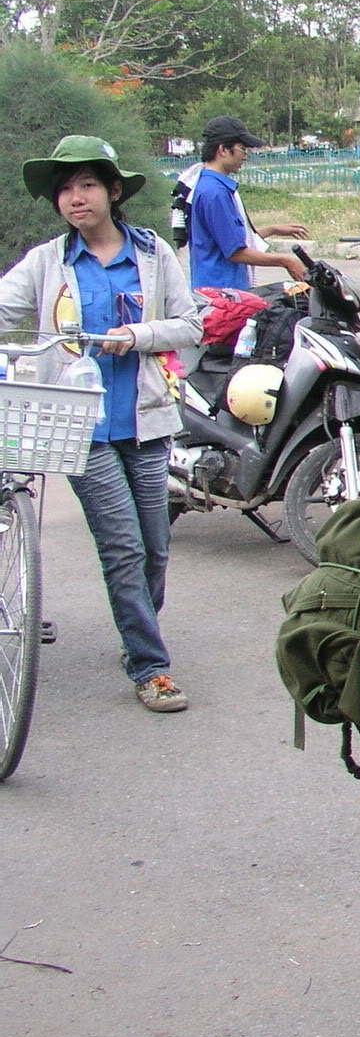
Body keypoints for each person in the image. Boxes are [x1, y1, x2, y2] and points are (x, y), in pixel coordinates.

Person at [1, 136, 204, 712]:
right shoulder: (48, 262)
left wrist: (135, 336)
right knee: (122, 548)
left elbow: (190, 325)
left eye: (87, 184)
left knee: (155, 549)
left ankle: (141, 633)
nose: (74, 197)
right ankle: (150, 665)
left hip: (146, 420)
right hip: (79, 427)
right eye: (64, 188)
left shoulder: (153, 254)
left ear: (114, 192)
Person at [186, 117, 307, 289]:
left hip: (223, 291)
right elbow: (235, 251)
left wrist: (273, 229)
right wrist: (286, 261)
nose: (245, 156)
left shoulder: (213, 186)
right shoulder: (214, 193)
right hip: (221, 296)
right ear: (222, 150)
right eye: (242, 149)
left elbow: (229, 237)